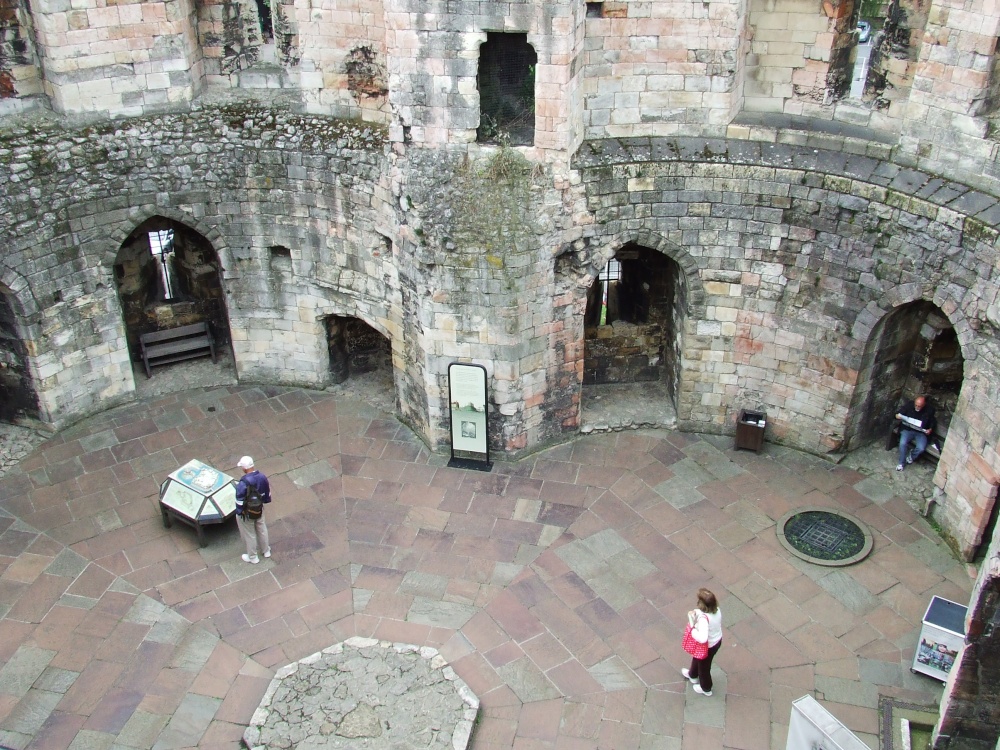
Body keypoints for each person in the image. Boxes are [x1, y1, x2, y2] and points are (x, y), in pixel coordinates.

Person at [681, 588, 723, 696]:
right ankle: (693, 674)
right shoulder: (717, 610)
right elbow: (706, 612)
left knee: (704, 667)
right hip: (716, 640)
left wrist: (692, 630)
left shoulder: (704, 619)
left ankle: (706, 688)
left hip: (708, 646)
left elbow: (702, 638)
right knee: (697, 657)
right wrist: (696, 612)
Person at [235, 455, 271, 564]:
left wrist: (239, 512)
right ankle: (266, 551)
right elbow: (267, 493)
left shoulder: (243, 482)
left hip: (247, 512)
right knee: (262, 529)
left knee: (249, 534)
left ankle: (253, 557)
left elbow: (239, 500)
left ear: (244, 468)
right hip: (259, 508)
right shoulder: (262, 477)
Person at [895, 396, 936, 472]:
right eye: (916, 405)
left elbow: (932, 422)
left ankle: (911, 456)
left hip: (921, 432)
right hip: (908, 429)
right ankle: (901, 463)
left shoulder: (929, 410)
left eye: (919, 406)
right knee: (902, 443)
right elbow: (899, 413)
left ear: (924, 405)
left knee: (921, 448)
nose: (917, 407)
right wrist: (897, 416)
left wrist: (930, 429)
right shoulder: (909, 405)